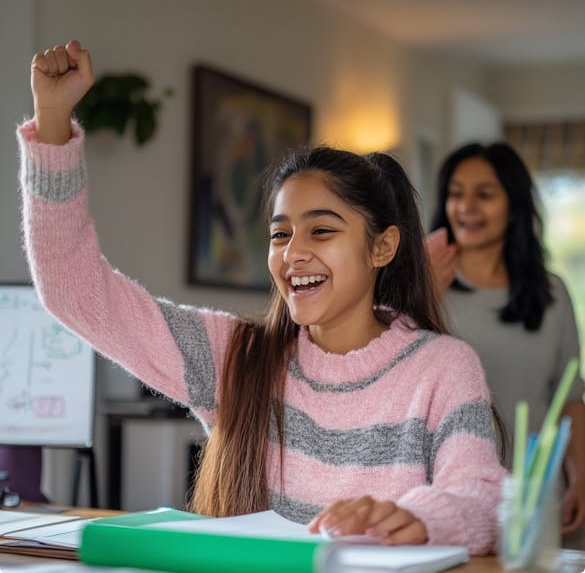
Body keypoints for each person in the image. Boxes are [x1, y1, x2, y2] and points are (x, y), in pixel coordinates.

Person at [17, 40, 506, 554]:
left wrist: (416, 517)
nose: (293, 253)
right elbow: (74, 291)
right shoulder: (235, 356)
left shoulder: (442, 368)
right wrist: (52, 121)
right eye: (279, 234)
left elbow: (480, 497)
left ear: (382, 246)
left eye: (321, 231)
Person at [427, 142, 585, 538]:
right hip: (450, 501)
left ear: (514, 205)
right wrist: (423, 297)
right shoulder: (421, 288)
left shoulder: (552, 294)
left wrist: (581, 474)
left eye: (485, 194)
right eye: (456, 194)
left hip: (537, 499)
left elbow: (568, 398)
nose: (466, 207)